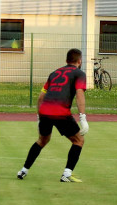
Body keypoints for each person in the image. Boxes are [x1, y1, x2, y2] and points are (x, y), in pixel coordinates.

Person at [17, 48, 90, 183]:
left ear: (66, 60)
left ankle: (23, 170)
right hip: (60, 112)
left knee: (42, 140)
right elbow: (80, 94)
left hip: (45, 110)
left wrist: (39, 116)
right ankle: (66, 174)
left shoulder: (54, 73)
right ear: (79, 61)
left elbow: (41, 97)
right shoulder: (79, 73)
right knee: (78, 140)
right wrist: (83, 118)